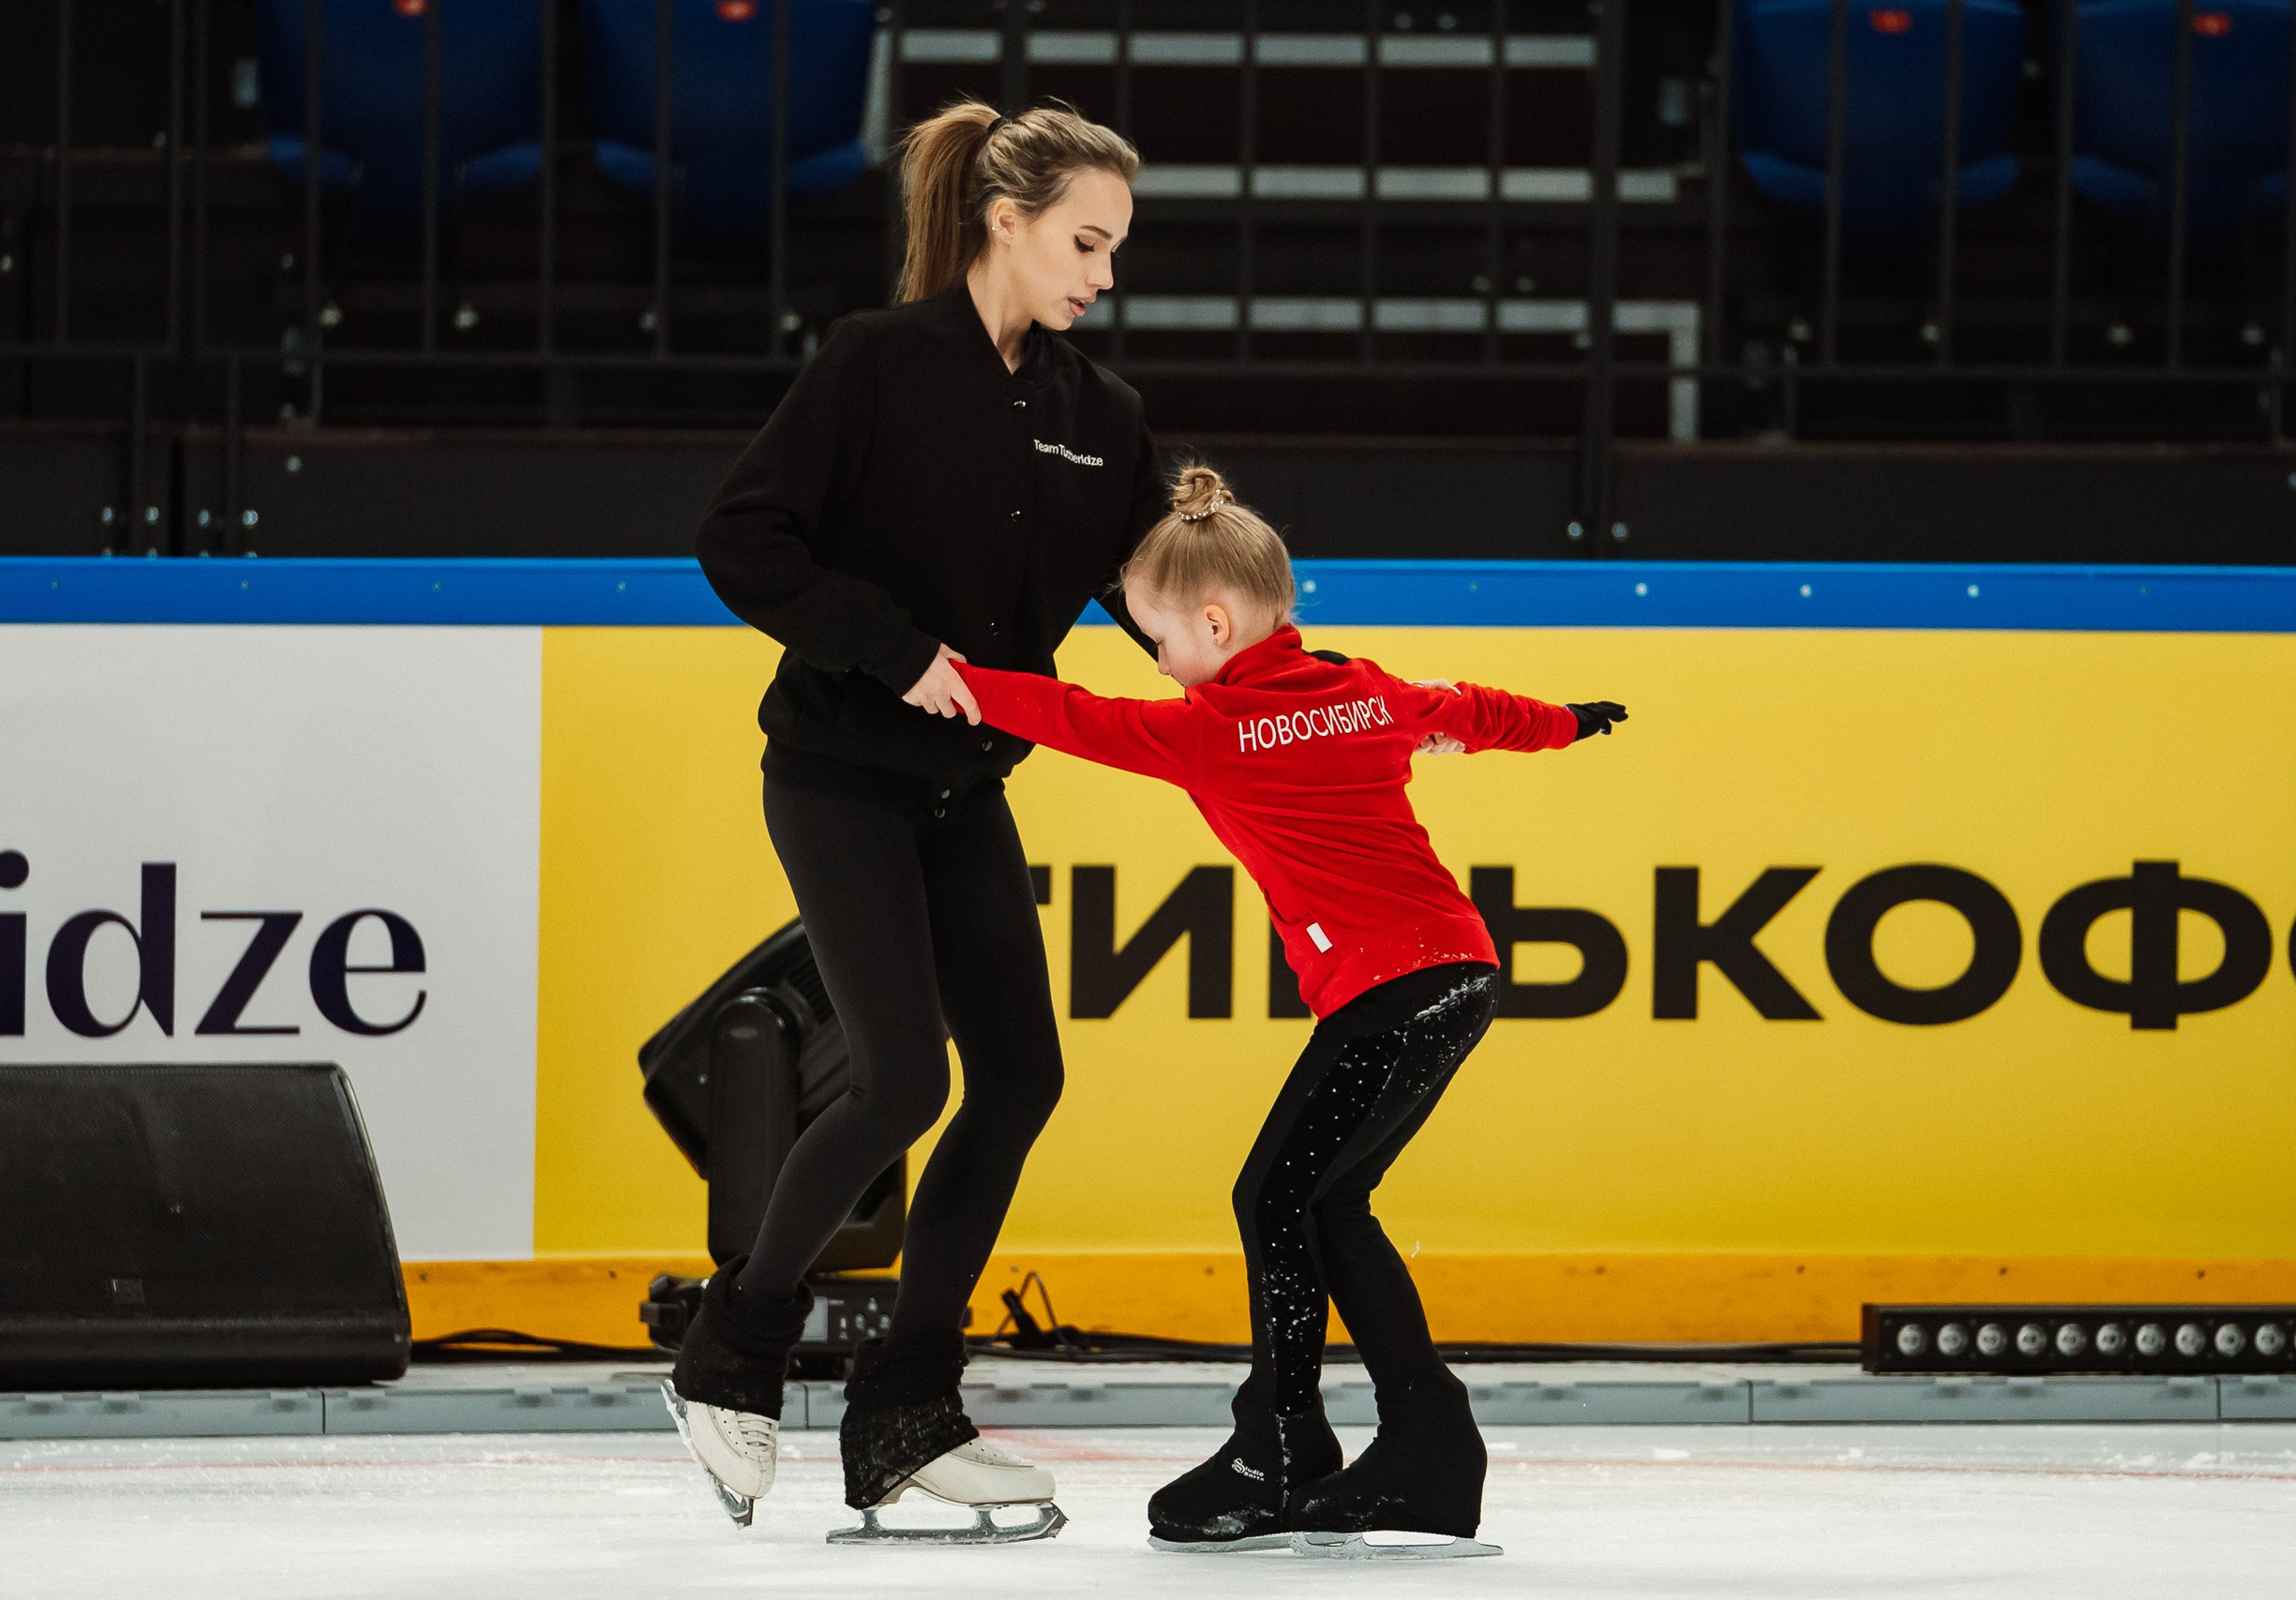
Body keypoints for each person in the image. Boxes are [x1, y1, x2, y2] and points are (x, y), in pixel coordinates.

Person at [948, 465, 1628, 1558]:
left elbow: (1070, 715)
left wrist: (948, 679)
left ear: (1213, 624)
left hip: (1391, 994)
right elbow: (1477, 711)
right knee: (1316, 1204)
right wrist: (1573, 722)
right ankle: (1411, 1444)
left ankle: (1289, 1443)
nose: (1160, 665)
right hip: (1450, 974)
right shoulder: (1366, 688)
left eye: (1159, 641)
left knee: (1279, 1199)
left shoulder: (1206, 730)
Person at [669, 97, 1166, 1544]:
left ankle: (904, 1409)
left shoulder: (1101, 416)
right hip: (836, 771)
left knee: (1019, 1078)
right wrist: (900, 652)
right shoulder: (874, 365)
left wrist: (1278, 689)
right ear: (1003, 222)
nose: (1100, 274)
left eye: (1116, 248)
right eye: (1085, 240)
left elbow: (1158, 592)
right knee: (901, 1081)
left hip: (963, 788)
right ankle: (732, 1348)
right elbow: (741, 538)